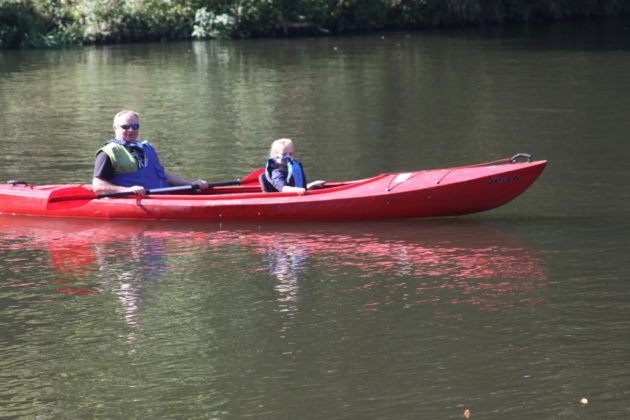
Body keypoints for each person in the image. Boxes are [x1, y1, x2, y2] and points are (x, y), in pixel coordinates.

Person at [92, 110, 208, 195]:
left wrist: (191, 184)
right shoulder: (108, 153)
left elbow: (162, 175)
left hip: (162, 198)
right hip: (135, 201)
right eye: (125, 127)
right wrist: (127, 190)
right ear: (115, 128)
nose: (131, 130)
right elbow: (98, 186)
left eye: (135, 126)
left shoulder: (146, 148)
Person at [260, 138, 324, 195]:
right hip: (282, 200)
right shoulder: (277, 173)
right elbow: (283, 189)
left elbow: (299, 187)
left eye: (291, 154)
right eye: (284, 154)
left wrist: (311, 185)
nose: (288, 156)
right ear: (274, 156)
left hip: (295, 195)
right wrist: (297, 190)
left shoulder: (291, 169)